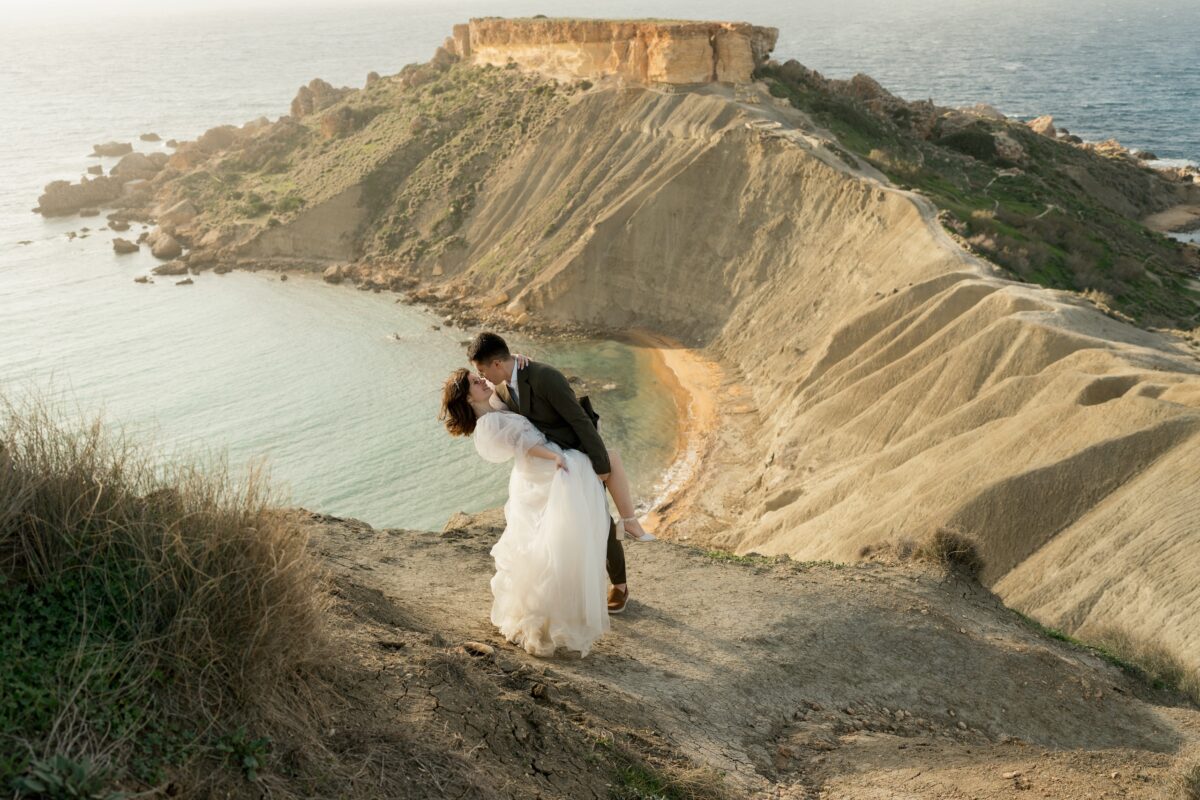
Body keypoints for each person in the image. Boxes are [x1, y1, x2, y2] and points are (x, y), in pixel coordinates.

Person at [467, 332, 653, 614]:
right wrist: (514, 359)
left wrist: (601, 466)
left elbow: (579, 420)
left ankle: (620, 586)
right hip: (551, 460)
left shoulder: (545, 377)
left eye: (482, 371)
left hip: (577, 451)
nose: (482, 377)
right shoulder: (502, 390)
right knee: (560, 525)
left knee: (600, 518)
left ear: (495, 364)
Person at [439, 368, 609, 656]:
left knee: (551, 543)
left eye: (478, 377)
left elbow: (511, 395)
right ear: (467, 398)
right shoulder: (489, 423)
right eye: (474, 382)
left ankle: (550, 614)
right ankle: (539, 618)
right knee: (549, 546)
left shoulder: (493, 406)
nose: (481, 381)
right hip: (543, 468)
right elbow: (525, 446)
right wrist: (555, 456)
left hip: (539, 470)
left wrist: (513, 368)